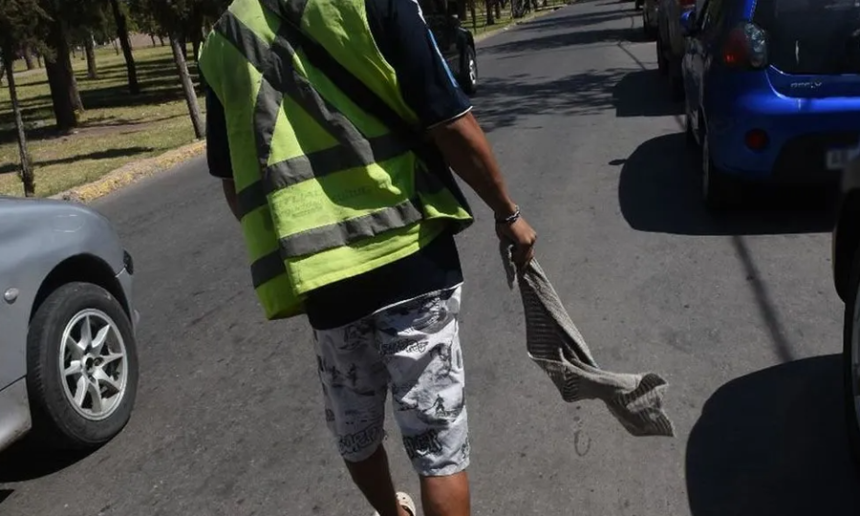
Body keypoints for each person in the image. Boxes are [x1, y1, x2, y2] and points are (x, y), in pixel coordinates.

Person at [199, 0, 537, 515]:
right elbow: (449, 123)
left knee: (355, 425)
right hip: (411, 254)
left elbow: (234, 183)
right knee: (436, 439)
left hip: (322, 274)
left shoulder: (223, 39)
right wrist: (507, 212)